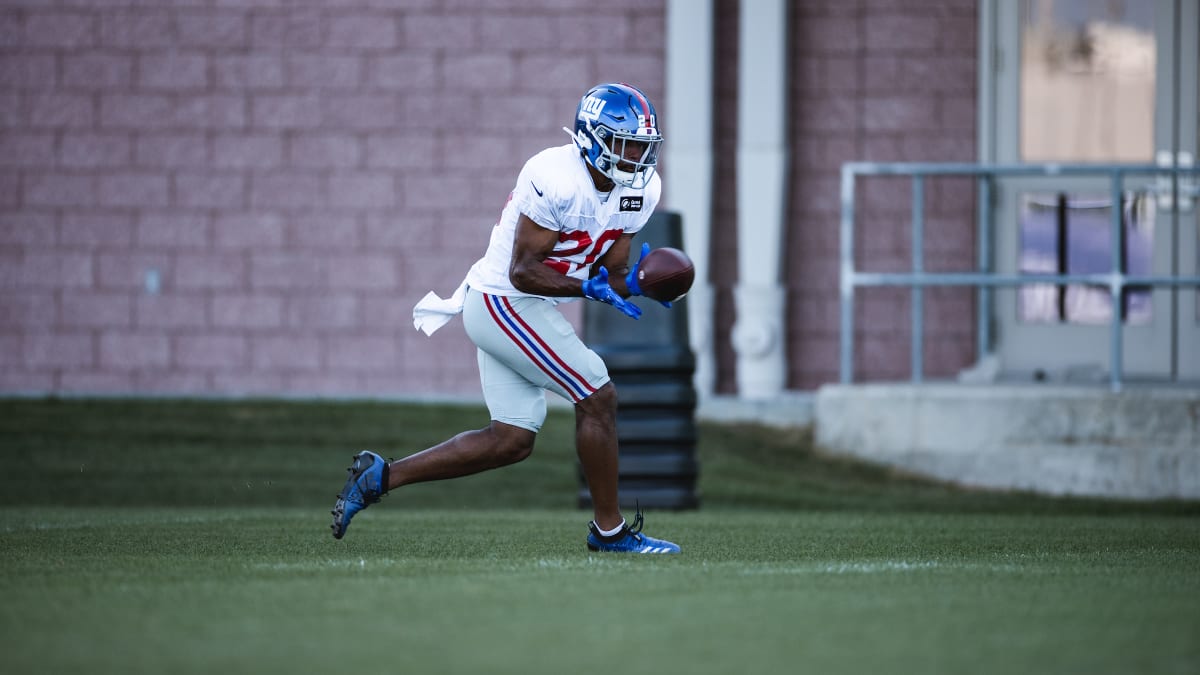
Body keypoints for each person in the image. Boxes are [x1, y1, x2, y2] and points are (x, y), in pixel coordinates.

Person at [330, 82, 680, 554]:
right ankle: (609, 532)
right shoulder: (553, 174)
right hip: (501, 300)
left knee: (512, 438)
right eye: (627, 144)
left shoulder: (643, 189)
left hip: (524, 304)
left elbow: (612, 272)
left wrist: (639, 284)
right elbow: (524, 272)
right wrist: (587, 287)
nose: (638, 156)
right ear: (592, 139)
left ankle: (379, 476)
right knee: (597, 392)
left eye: (644, 146)